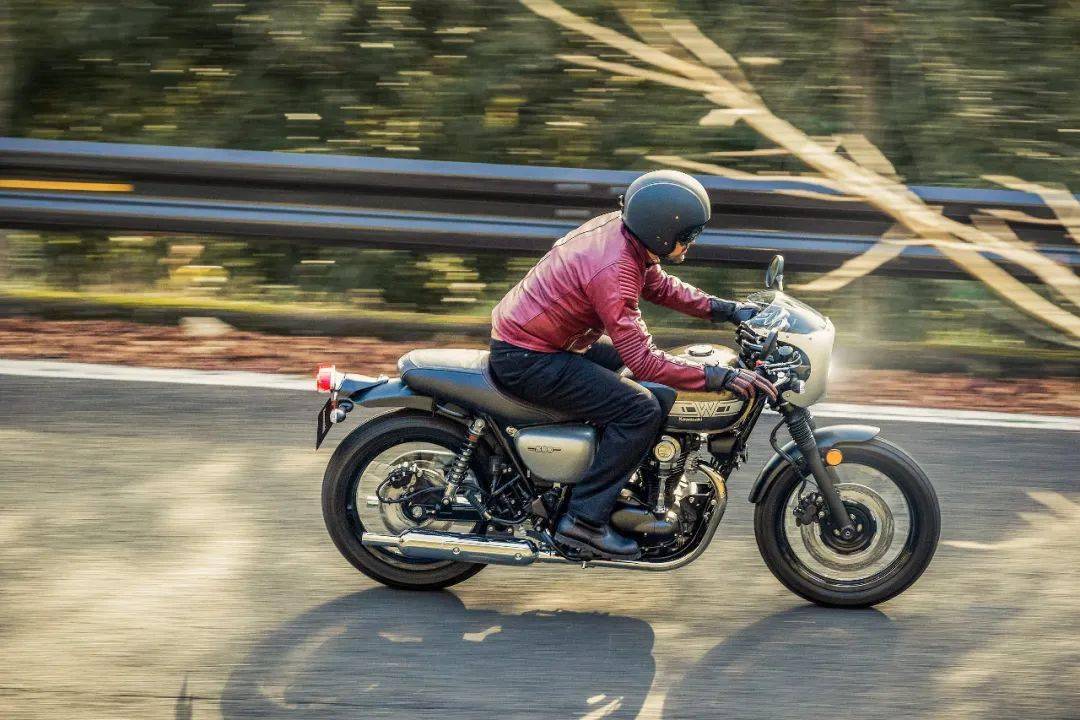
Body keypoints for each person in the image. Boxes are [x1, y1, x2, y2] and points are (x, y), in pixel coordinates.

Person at [488, 169, 778, 560]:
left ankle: (628, 486)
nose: (692, 241)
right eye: (688, 234)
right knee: (640, 409)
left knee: (654, 394)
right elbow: (643, 360)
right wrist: (716, 376)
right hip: (529, 357)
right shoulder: (614, 268)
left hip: (549, 342)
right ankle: (583, 522)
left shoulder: (626, 236)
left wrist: (726, 310)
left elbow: (659, 285)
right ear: (660, 231)